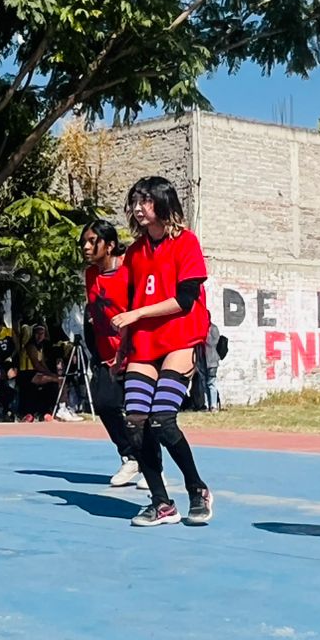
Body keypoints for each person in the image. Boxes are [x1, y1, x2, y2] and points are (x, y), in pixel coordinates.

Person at [111, 176, 215, 527]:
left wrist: (137, 314)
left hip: (180, 339)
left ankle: (197, 489)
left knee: (163, 420)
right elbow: (130, 303)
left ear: (163, 203)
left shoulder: (186, 242)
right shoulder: (135, 252)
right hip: (144, 343)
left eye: (145, 200)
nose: (138, 208)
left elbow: (185, 300)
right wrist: (121, 351)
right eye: (135, 201)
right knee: (136, 422)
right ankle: (161, 502)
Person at [80, 220, 139, 487]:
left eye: (93, 241)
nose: (86, 246)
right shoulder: (90, 275)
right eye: (84, 242)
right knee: (105, 404)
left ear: (110, 245)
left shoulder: (129, 270)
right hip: (105, 354)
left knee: (139, 414)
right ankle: (131, 457)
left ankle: (154, 466)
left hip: (133, 353)